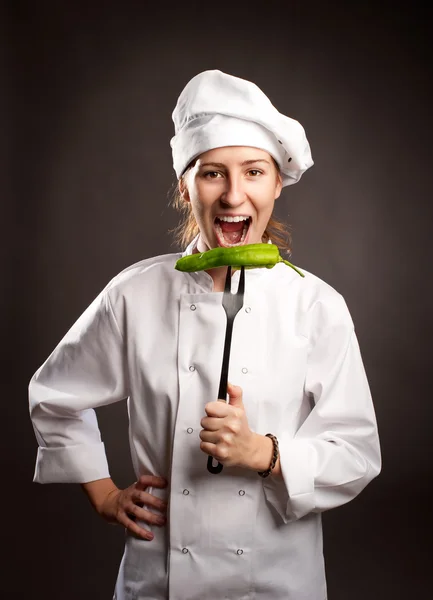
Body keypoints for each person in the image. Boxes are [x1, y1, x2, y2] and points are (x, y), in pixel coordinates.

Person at [29, 69, 381, 600]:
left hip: (277, 581)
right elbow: (54, 396)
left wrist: (262, 452)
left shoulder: (317, 305)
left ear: (277, 182)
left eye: (254, 172)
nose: (234, 195)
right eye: (213, 173)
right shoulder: (135, 294)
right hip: (160, 581)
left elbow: (356, 451)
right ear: (184, 185)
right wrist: (104, 494)